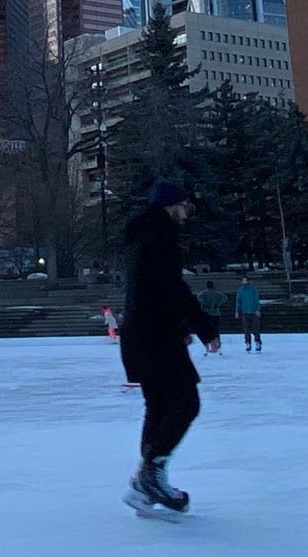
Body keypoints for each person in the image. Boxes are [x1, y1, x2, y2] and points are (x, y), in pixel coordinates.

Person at [120, 179, 219, 517]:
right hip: (155, 336)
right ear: (169, 206)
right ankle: (151, 474)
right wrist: (204, 327)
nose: (186, 213)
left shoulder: (145, 236)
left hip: (141, 334)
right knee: (185, 403)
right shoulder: (161, 236)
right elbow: (172, 288)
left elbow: (153, 292)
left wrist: (180, 327)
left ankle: (144, 485)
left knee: (159, 405)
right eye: (183, 206)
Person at [234, 276, 263, 353]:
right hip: (245, 312)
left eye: (245, 280)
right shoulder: (240, 291)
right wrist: (237, 311)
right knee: (246, 330)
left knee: (256, 329)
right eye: (243, 281)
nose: (244, 282)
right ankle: (248, 343)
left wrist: (257, 309)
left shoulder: (253, 290)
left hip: (254, 312)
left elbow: (257, 299)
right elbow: (238, 302)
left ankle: (257, 342)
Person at [197, 282, 226, 354]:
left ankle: (208, 347)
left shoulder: (203, 293)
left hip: (206, 313)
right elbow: (225, 298)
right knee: (216, 330)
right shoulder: (217, 293)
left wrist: (204, 303)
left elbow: (198, 297)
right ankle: (218, 347)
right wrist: (218, 304)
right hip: (216, 313)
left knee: (206, 330)